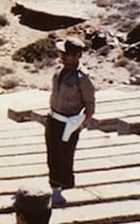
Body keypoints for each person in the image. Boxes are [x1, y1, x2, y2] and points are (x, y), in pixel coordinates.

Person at [46, 37, 95, 205]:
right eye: (62, 53)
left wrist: (80, 125)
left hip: (68, 123)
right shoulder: (60, 70)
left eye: (66, 54)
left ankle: (59, 189)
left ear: (77, 55)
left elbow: (90, 105)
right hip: (53, 118)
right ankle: (55, 186)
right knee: (52, 154)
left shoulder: (83, 78)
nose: (62, 56)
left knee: (64, 156)